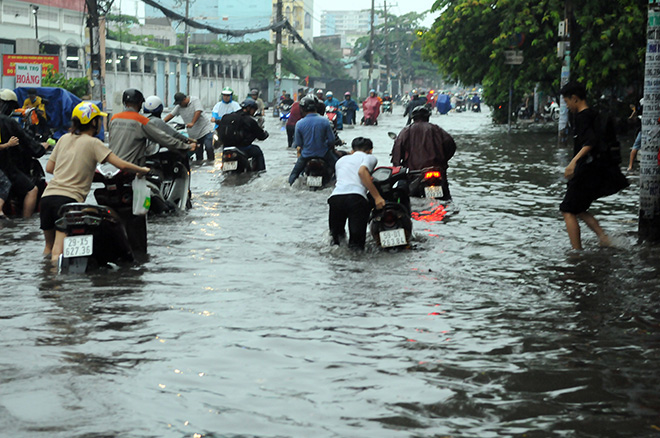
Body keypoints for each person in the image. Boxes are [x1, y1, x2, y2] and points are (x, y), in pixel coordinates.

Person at [40, 101, 150, 260]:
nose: (100, 123)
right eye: (99, 120)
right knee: (58, 251)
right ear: (93, 122)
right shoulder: (94, 143)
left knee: (48, 248)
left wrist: (76, 171)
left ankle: (45, 278)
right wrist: (142, 170)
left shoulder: (64, 138)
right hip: (68, 201)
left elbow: (50, 168)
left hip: (47, 198)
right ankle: (57, 284)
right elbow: (120, 164)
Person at [559, 81, 629, 250]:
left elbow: (589, 142)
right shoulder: (593, 114)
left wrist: (572, 163)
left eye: (567, 102)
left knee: (567, 210)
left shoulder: (582, 117)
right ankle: (604, 238)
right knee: (580, 208)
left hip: (585, 170)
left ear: (574, 99)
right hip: (594, 169)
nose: (567, 106)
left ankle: (576, 252)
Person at [328, 137, 385, 250]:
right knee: (356, 244)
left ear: (352, 150)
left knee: (336, 240)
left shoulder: (341, 160)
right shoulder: (369, 157)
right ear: (370, 150)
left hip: (335, 198)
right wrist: (377, 197)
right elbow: (362, 172)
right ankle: (355, 266)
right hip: (356, 198)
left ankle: (335, 267)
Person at [0, 88, 49, 218]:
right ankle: (25, 223)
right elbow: (31, 146)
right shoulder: (9, 123)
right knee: (32, 190)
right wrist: (42, 148)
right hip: (7, 169)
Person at [109, 89, 191, 166]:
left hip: (112, 164)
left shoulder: (114, 118)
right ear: (140, 104)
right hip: (131, 167)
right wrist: (187, 146)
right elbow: (164, 138)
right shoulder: (141, 120)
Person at [391, 105, 456, 200]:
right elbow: (451, 145)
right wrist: (443, 161)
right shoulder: (437, 129)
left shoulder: (406, 131)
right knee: (446, 200)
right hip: (437, 169)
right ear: (428, 117)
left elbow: (397, 150)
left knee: (401, 195)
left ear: (413, 118)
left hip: (414, 172)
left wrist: (397, 167)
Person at [289, 95, 338, 185]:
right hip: (324, 154)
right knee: (339, 169)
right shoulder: (325, 121)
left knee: (294, 174)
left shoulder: (299, 124)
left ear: (302, 109)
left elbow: (298, 143)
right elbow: (331, 141)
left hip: (306, 155)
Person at [163, 92, 215, 161]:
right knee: (199, 155)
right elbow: (171, 115)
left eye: (180, 102)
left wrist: (192, 123)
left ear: (185, 99)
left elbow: (198, 111)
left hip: (205, 130)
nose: (179, 104)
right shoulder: (179, 107)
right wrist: (161, 122)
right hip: (194, 135)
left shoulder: (195, 100)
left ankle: (211, 164)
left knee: (209, 147)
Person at [222, 98, 268, 171]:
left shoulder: (229, 117)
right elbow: (261, 136)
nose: (254, 112)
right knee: (258, 151)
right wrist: (265, 134)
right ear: (249, 108)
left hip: (226, 149)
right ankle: (260, 173)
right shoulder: (249, 120)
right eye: (254, 110)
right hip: (242, 148)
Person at [627, 98, 642, 172]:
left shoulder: (642, 101)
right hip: (643, 129)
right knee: (635, 146)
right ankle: (630, 166)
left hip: (643, 129)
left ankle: (630, 166)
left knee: (635, 146)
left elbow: (635, 112)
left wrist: (631, 117)